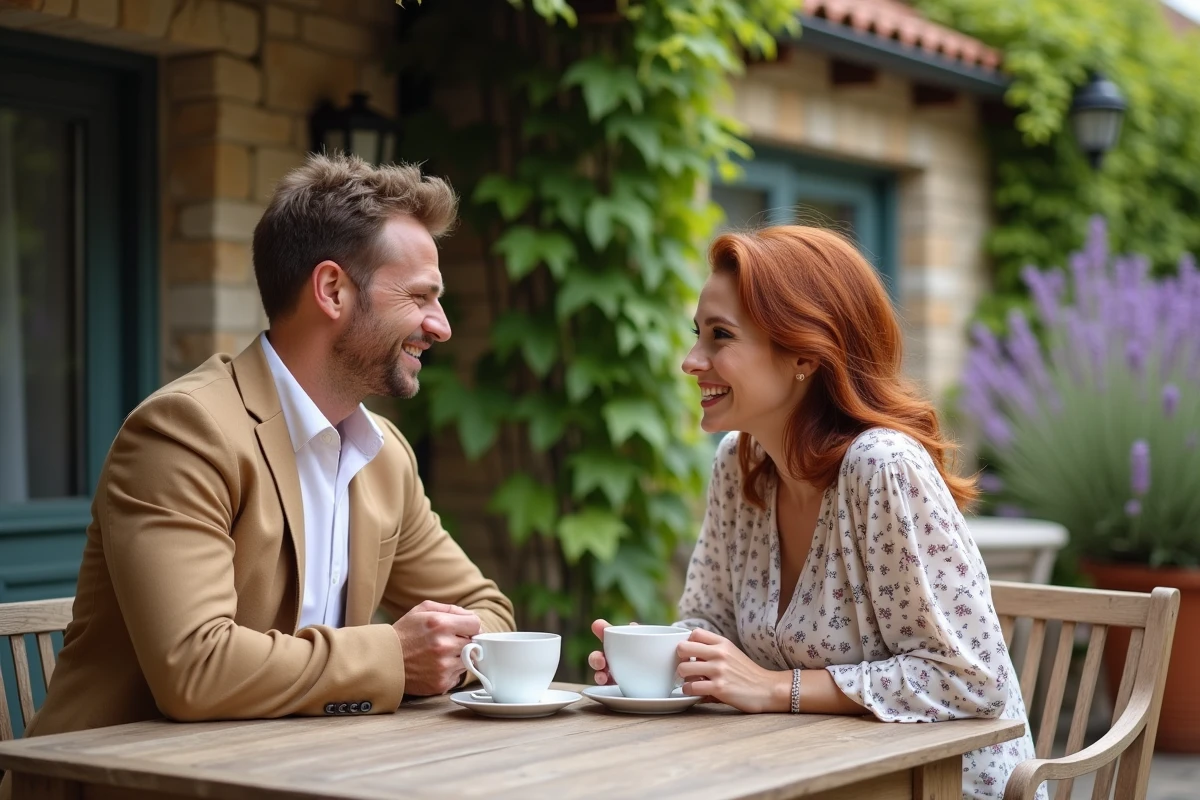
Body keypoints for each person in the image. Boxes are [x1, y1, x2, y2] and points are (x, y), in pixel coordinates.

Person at [3, 154, 514, 795]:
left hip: (292, 776)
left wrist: (441, 651)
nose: (440, 326)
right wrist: (393, 657)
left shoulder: (384, 456)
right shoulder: (183, 432)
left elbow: (490, 613)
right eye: (419, 296)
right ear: (332, 290)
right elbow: (197, 668)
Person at [588, 226, 1040, 799]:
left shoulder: (882, 467)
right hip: (807, 777)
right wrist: (657, 658)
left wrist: (777, 688)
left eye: (721, 336)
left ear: (804, 352)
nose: (691, 361)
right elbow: (710, 623)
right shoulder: (740, 464)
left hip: (938, 787)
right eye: (697, 334)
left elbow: (972, 681)